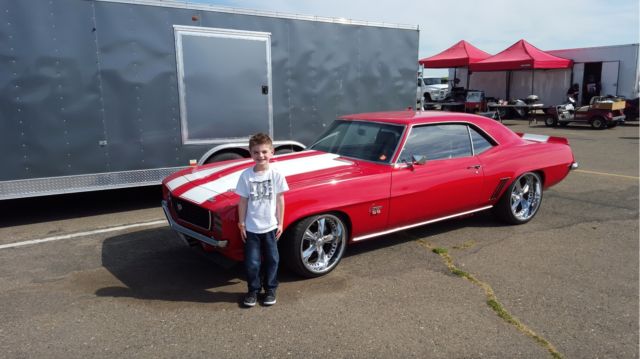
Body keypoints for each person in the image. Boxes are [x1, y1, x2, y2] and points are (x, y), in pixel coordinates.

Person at [236, 133, 289, 307]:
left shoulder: (276, 175)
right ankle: (253, 290)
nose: (261, 156)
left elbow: (280, 200)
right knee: (252, 262)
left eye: (264, 151)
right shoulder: (245, 176)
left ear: (272, 152)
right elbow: (242, 201)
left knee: (273, 259)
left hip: (271, 227)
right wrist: (241, 223)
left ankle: (271, 289)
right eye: (256, 152)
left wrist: (280, 223)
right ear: (250, 154)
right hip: (251, 228)